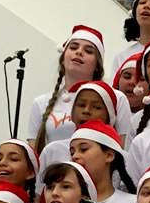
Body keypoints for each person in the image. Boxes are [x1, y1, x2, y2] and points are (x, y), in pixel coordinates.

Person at [28, 25, 108, 153]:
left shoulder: (115, 99)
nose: (79, 52)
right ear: (63, 59)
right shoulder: (41, 102)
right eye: (73, 47)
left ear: (97, 65)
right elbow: (33, 154)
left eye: (88, 51)